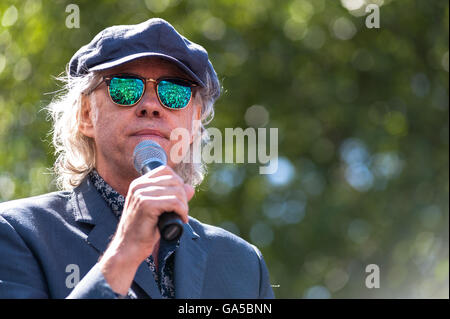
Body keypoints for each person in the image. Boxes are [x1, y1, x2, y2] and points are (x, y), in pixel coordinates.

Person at [0, 18, 274, 299]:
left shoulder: (243, 264)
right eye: (126, 88)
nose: (151, 106)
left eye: (175, 92)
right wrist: (125, 251)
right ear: (86, 115)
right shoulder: (17, 232)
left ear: (194, 125)